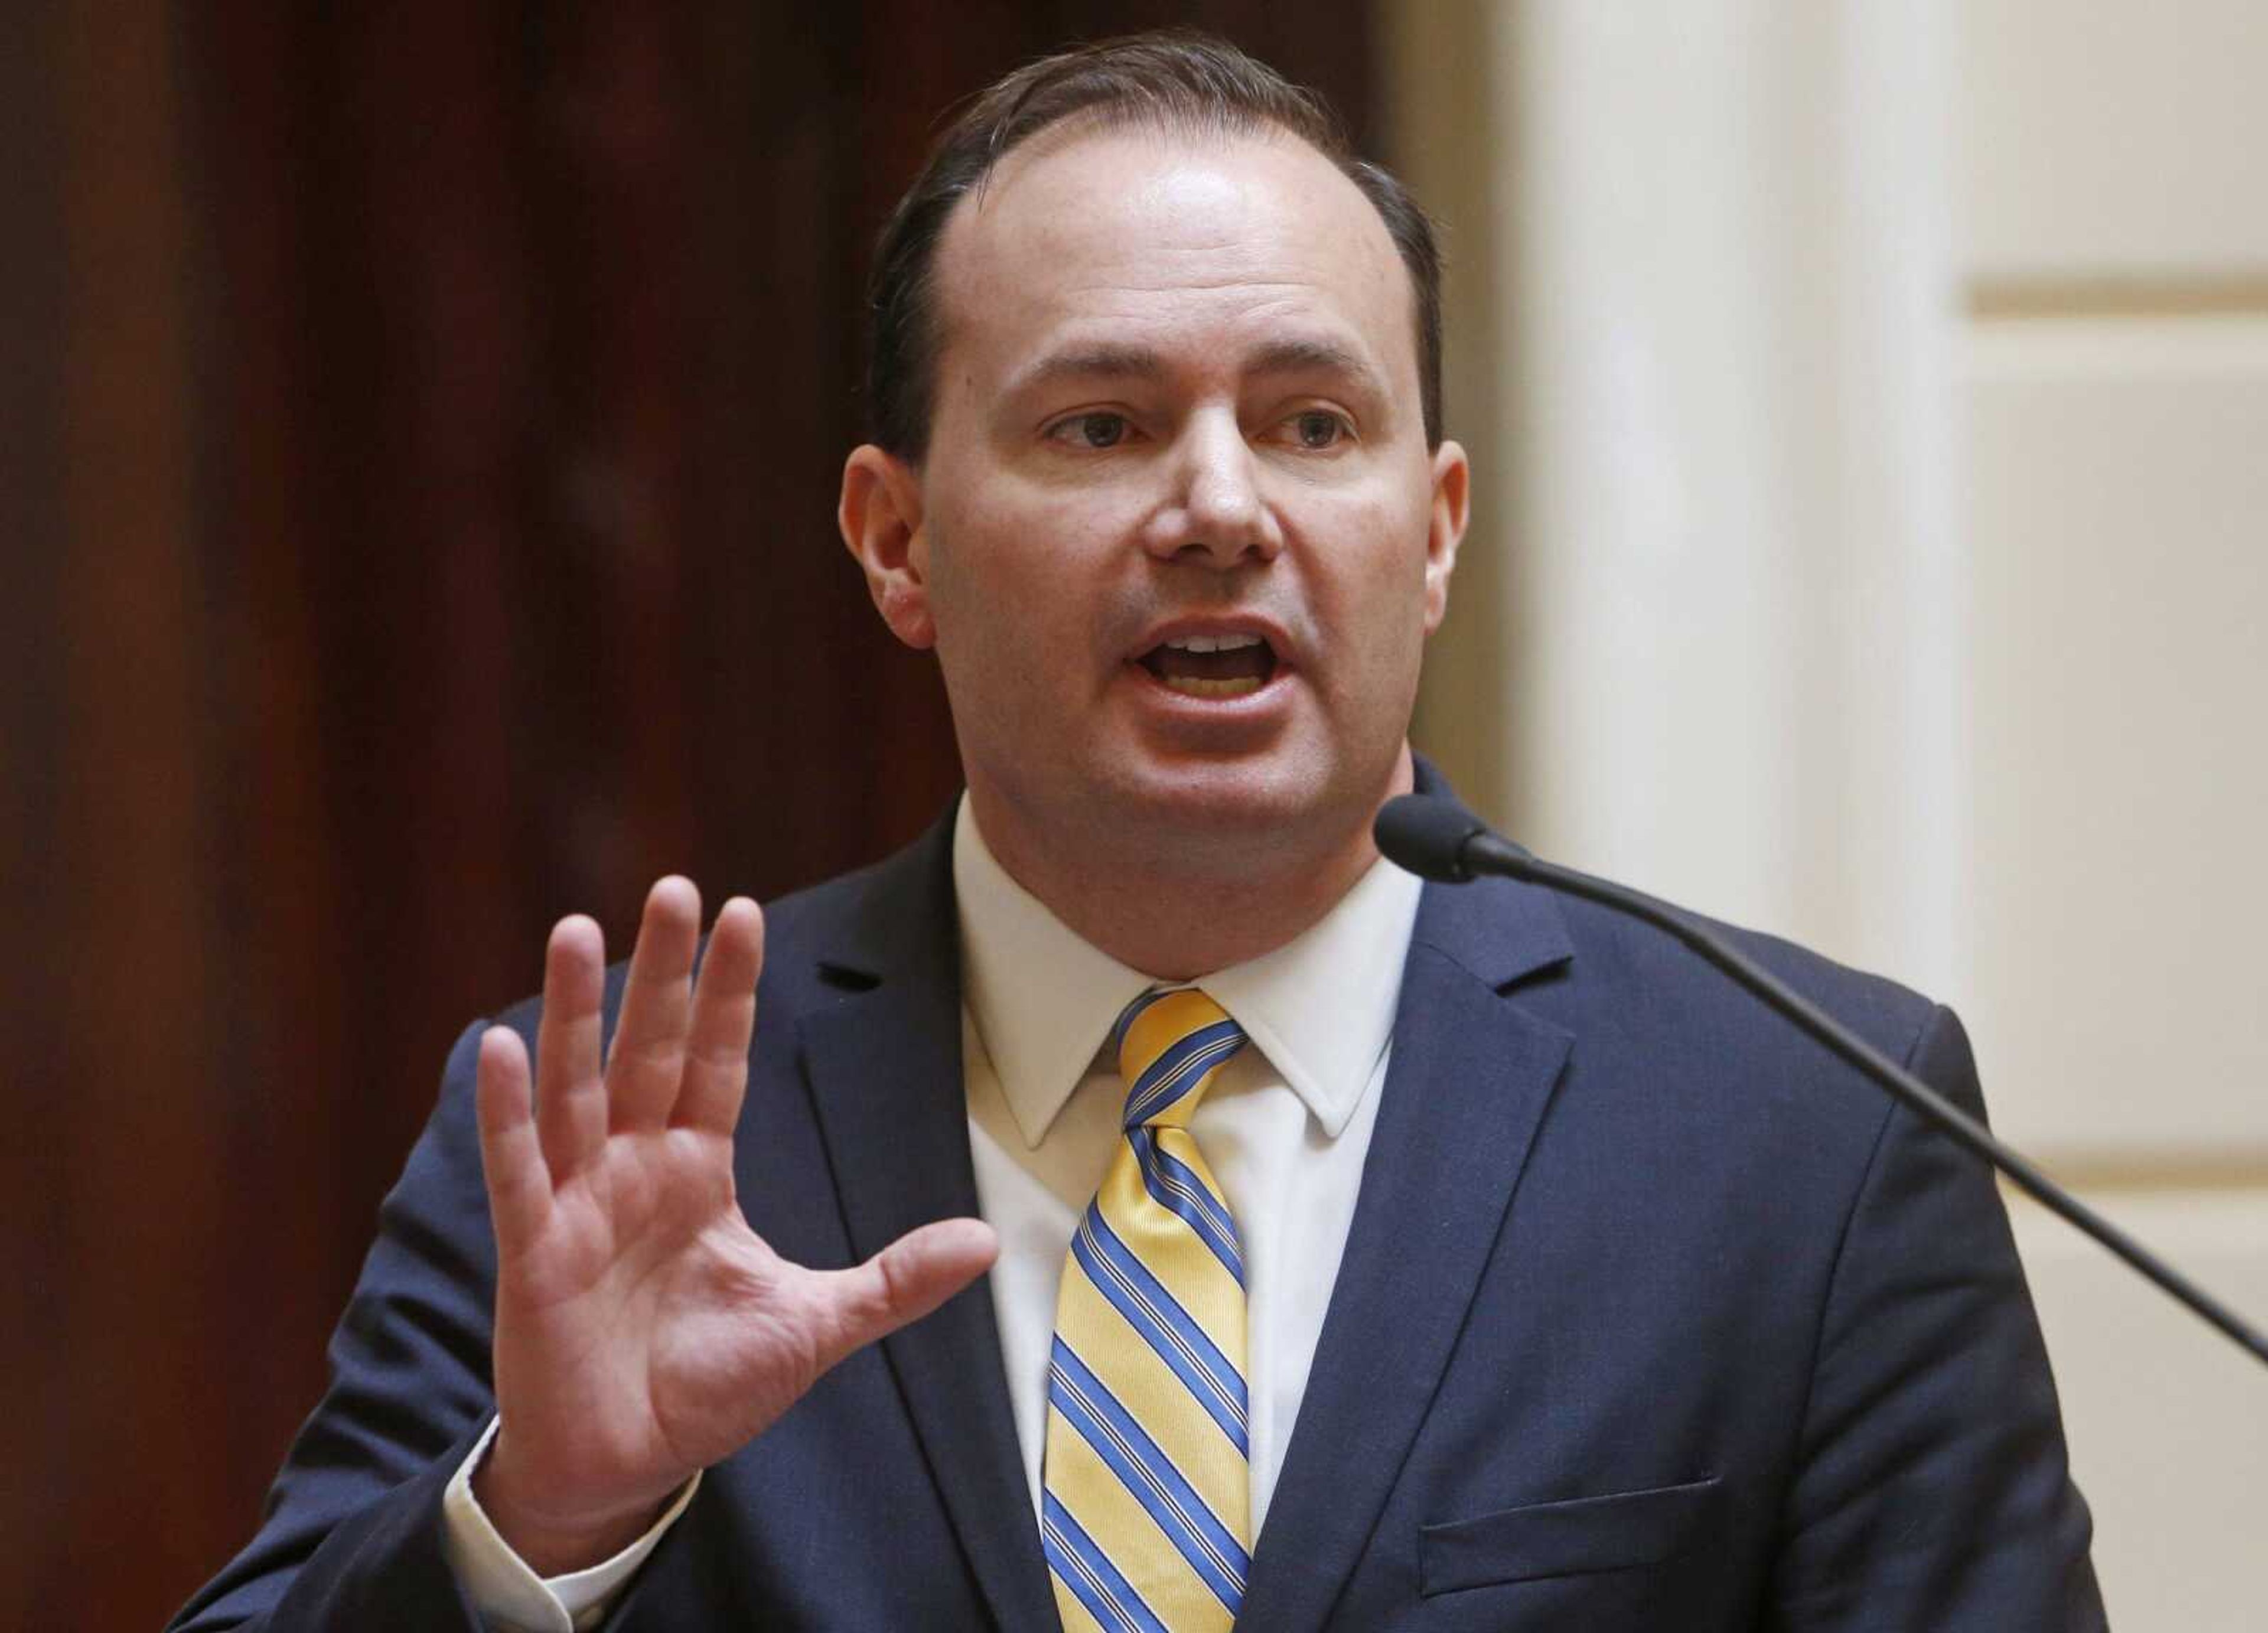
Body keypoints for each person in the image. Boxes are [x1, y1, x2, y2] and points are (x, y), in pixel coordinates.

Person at [172, 32, 2104, 1632]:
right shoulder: (616, 1131)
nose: (1219, 505)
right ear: (895, 540)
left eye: (1312, 424)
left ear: (1432, 532)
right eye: (1101, 425)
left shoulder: (1806, 1134)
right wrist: (543, 1523)